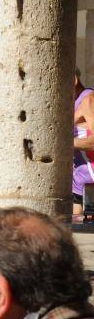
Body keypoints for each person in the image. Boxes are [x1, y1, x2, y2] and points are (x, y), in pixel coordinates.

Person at [73, 68, 94, 217]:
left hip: (89, 175)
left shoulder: (88, 100)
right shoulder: (73, 102)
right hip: (77, 178)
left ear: (73, 80)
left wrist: (60, 143)